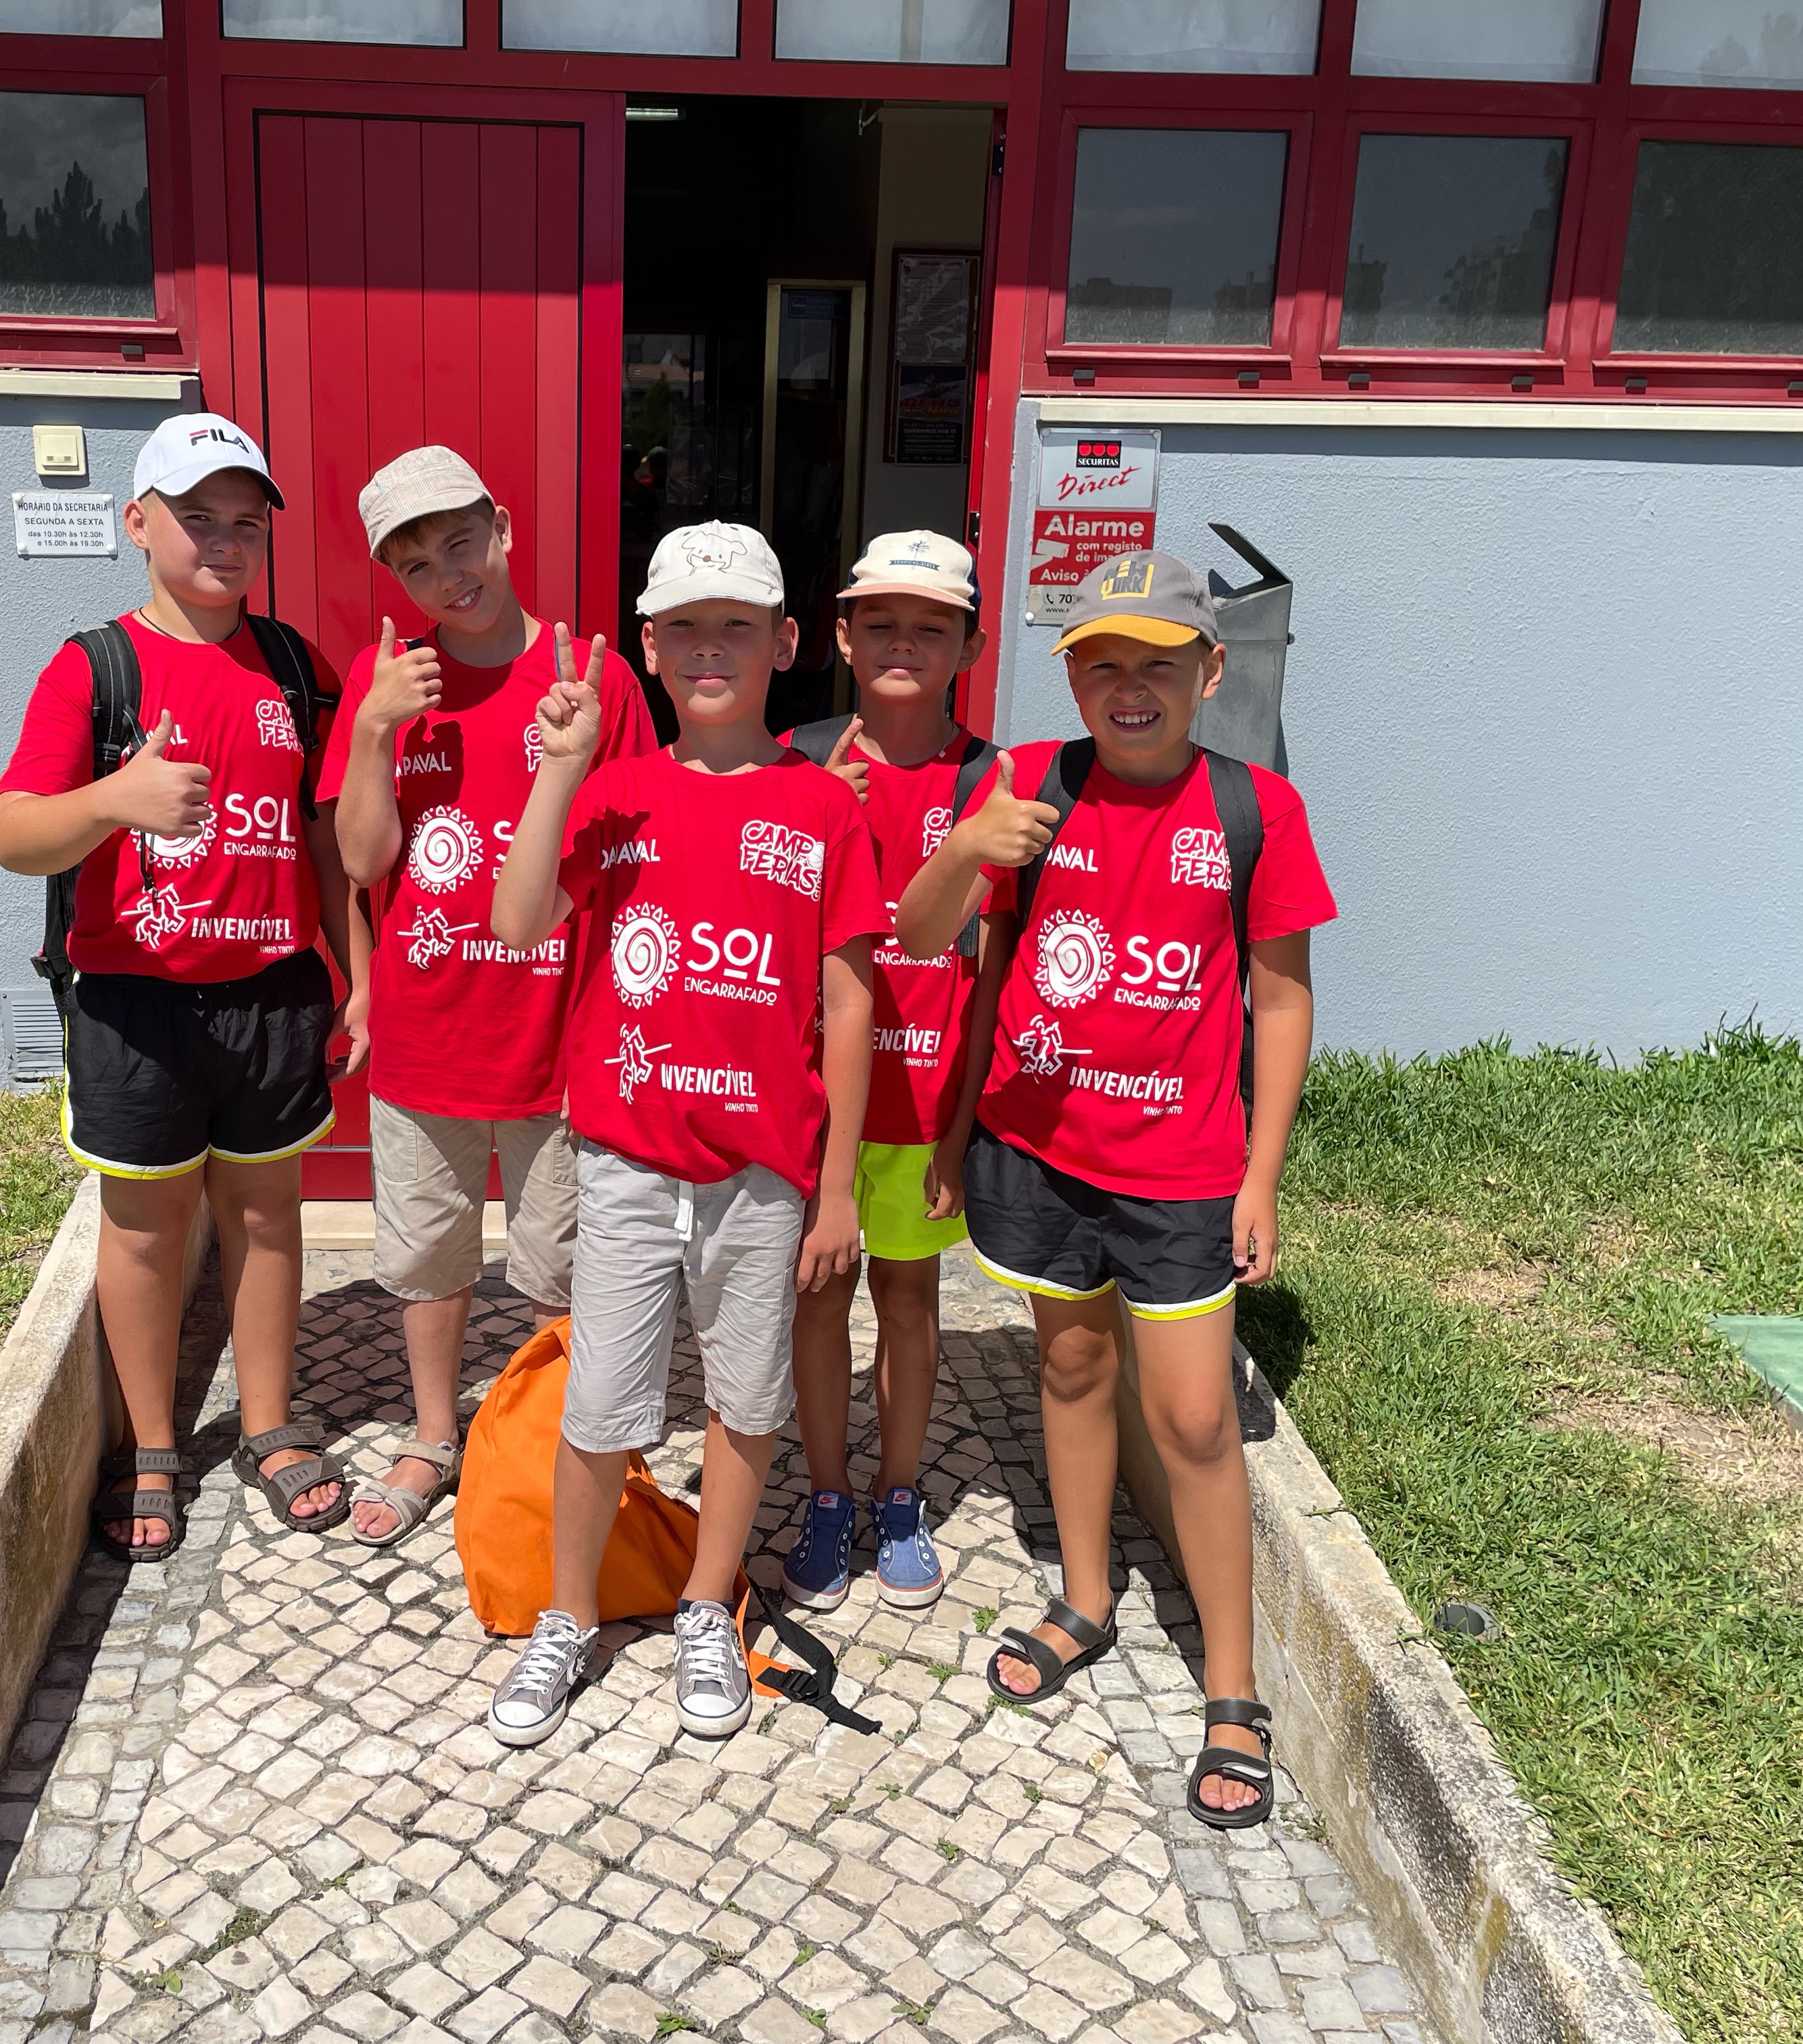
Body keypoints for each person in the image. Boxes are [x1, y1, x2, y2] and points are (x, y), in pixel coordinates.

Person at [895, 550, 1335, 1830]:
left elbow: (1283, 1001)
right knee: (1073, 1368)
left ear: (1211, 671)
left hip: (1183, 1169)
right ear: (1072, 676)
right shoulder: (1026, 782)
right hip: (1038, 1148)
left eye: (1157, 663)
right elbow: (921, 940)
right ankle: (1085, 1598)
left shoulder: (1255, 810)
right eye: (1100, 664)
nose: (1127, 687)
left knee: (1194, 1420)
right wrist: (964, 847)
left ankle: (1233, 1688)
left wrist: (1261, 1175)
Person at [482, 522, 879, 1747]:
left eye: (737, 628)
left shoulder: (823, 806)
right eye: (686, 629)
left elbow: (851, 1002)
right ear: (648, 650)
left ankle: (710, 1602)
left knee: (747, 1397)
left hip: (763, 1169)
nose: (712, 650)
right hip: (626, 1159)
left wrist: (838, 1188)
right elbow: (516, 920)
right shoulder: (616, 793)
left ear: (787, 644)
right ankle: (568, 1615)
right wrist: (557, 771)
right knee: (602, 1401)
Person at [0, 412, 368, 1559]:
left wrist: (355, 974)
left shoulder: (297, 670)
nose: (225, 541)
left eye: (246, 521)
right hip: (136, 1002)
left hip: (273, 991)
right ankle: (151, 1444)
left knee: (265, 1215)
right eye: (197, 517)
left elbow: (324, 841)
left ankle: (268, 1427)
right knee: (148, 1231)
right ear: (138, 523)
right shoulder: (94, 668)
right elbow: (15, 835)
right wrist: (116, 800)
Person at [320, 446, 656, 1547]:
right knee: (430, 1260)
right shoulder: (387, 684)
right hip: (429, 1031)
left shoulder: (591, 675)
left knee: (561, 1266)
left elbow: (639, 843)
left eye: (460, 542)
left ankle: (552, 1431)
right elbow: (363, 860)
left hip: (563, 1035)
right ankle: (433, 1432)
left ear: (503, 527)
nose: (447, 575)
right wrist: (376, 726)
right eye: (416, 564)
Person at [776, 533, 994, 1613]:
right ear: (843, 637)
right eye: (882, 623)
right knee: (816, 1299)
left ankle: (898, 1493)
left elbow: (994, 973)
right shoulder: (792, 759)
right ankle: (826, 1493)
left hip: (922, 1104)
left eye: (932, 626)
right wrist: (806, 810)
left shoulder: (993, 782)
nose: (904, 643)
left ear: (970, 646)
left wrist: (960, 1133)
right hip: (812, 1107)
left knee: (907, 1301)